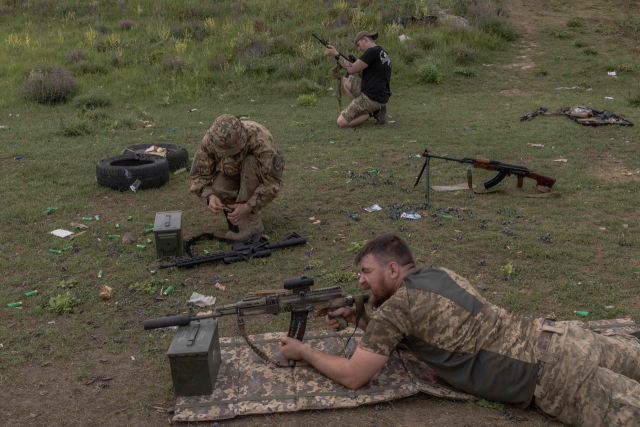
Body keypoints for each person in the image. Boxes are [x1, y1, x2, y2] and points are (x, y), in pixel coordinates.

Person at [279, 234, 640, 427]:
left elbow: (355, 376)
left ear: (391, 270)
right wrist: (360, 319)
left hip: (553, 376)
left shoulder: (397, 310)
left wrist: (303, 351)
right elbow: (419, 333)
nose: (360, 281)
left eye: (366, 273)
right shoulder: (441, 273)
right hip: (564, 337)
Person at [190, 114, 284, 242]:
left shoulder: (260, 138)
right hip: (231, 174)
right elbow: (198, 176)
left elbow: (273, 182)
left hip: (254, 176)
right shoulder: (210, 141)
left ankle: (252, 223)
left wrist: (248, 206)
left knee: (250, 162)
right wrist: (210, 197)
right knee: (217, 188)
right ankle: (239, 218)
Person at [324, 30, 391, 128]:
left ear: (365, 39)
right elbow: (368, 75)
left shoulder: (371, 52)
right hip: (379, 94)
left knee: (341, 122)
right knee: (346, 80)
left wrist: (336, 55)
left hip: (372, 97)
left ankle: (373, 112)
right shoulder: (381, 52)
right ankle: (369, 110)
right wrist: (349, 61)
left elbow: (351, 69)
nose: (359, 49)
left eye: (358, 45)